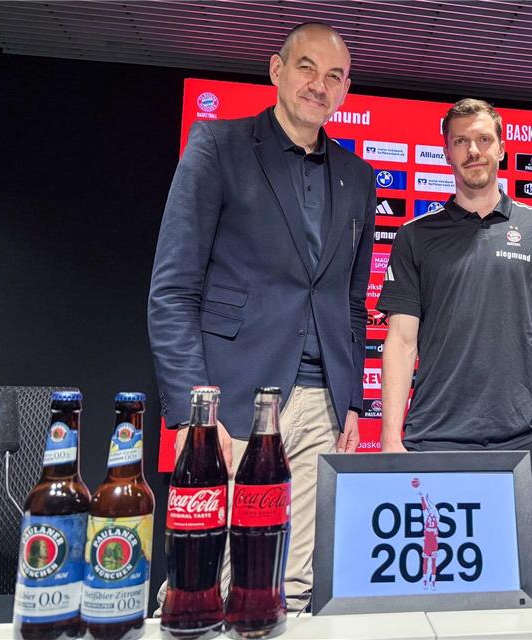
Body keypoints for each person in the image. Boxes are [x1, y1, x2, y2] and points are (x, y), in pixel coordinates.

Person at [147, 22, 376, 610]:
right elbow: (173, 291)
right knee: (202, 582)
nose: (318, 85)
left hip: (320, 405)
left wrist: (351, 401)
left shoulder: (358, 178)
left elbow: (350, 302)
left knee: (290, 587)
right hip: (230, 402)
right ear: (276, 69)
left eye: (334, 76)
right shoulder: (217, 147)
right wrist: (198, 412)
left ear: (346, 90)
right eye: (306, 68)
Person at [377, 98, 532, 570]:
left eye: (483, 140)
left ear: (502, 148)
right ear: (447, 152)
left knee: (523, 579)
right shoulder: (415, 236)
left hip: (525, 439)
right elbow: (401, 340)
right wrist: (391, 437)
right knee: (435, 580)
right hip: (436, 438)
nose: (474, 150)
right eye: (462, 141)